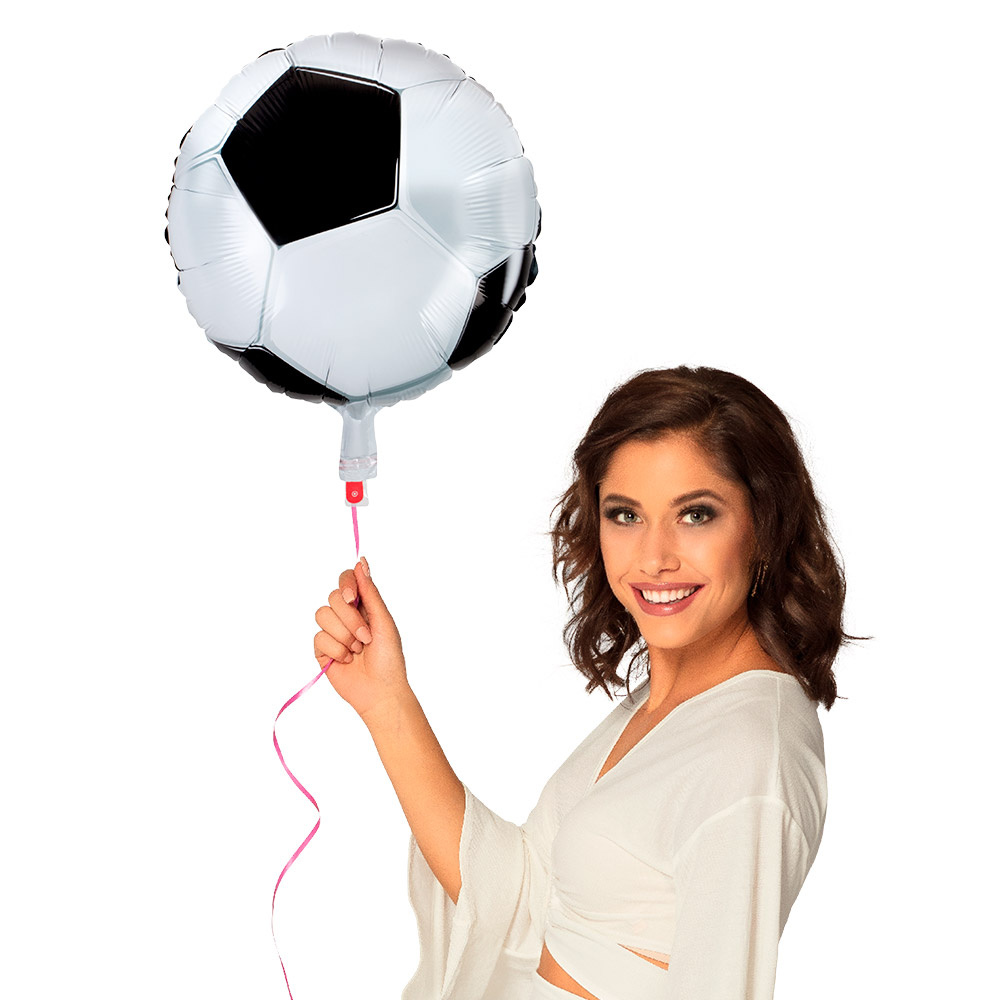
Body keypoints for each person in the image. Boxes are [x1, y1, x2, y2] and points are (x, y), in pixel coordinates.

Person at [313, 366, 852, 999]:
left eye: (695, 514)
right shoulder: (668, 706)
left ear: (764, 527)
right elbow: (524, 907)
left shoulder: (749, 755)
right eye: (625, 515)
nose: (654, 557)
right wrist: (386, 702)